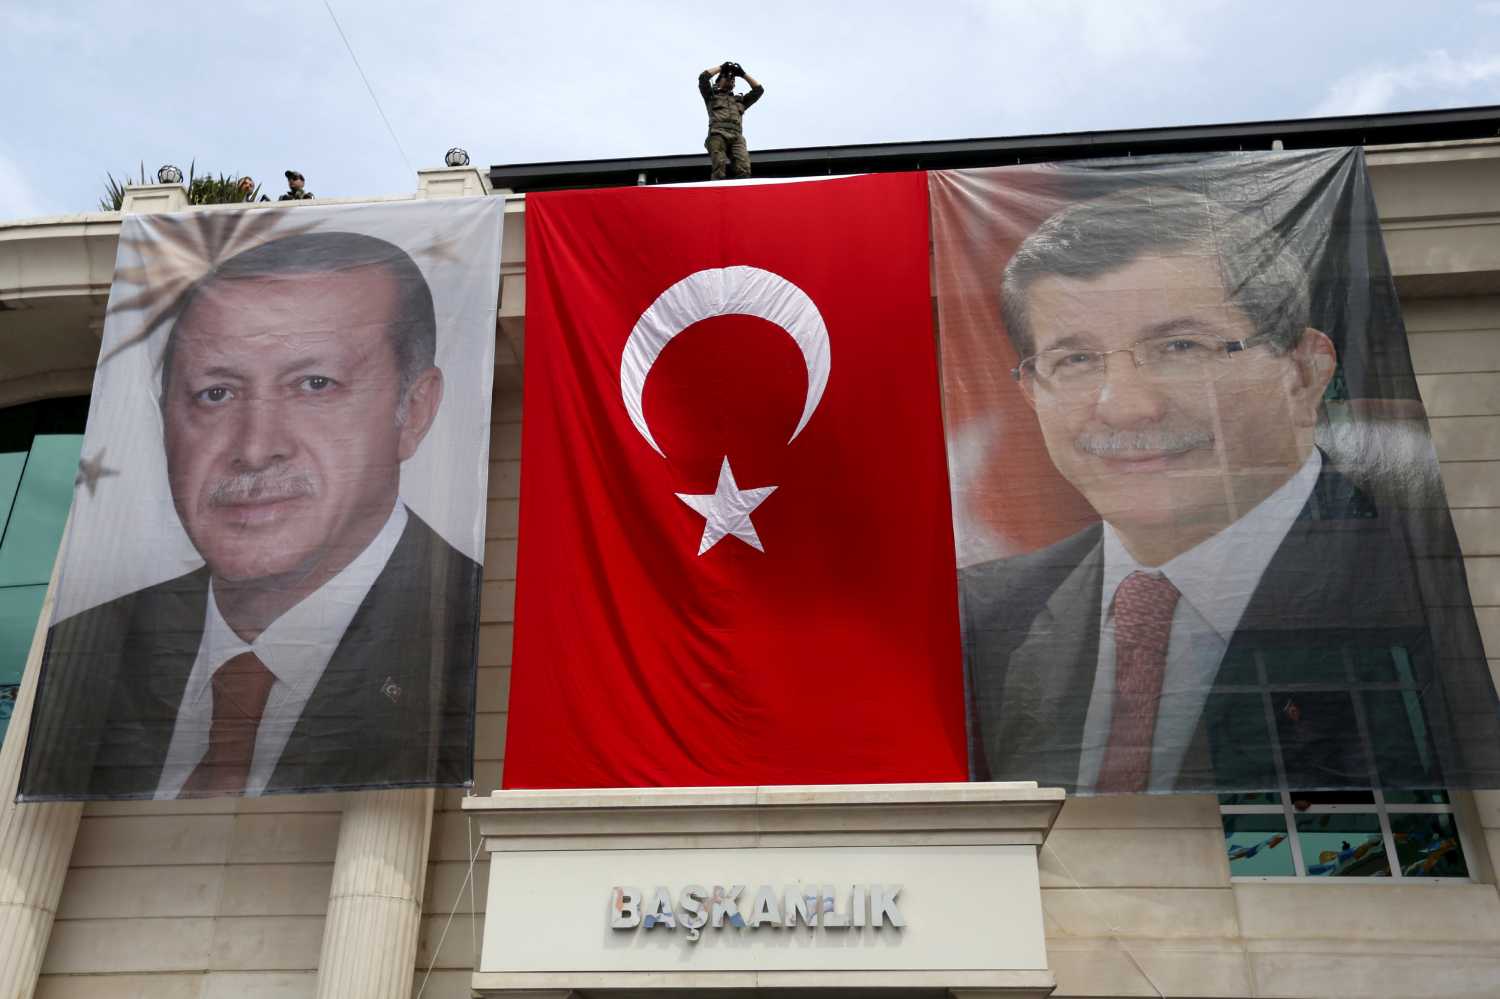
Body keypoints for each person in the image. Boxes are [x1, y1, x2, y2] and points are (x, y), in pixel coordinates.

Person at [961, 186, 1495, 794]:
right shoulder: (983, 614)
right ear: (1032, 393)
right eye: (1076, 360)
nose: (1126, 408)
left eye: (1181, 347)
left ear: (1305, 370)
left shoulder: (1431, 582)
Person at [21, 232, 478, 800]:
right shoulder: (85, 652)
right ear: (164, 418)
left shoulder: (477, 627)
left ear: (412, 411)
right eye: (216, 393)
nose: (256, 448)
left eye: (315, 385)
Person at [698, 61, 763, 180]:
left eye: (733, 79)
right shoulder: (711, 96)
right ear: (718, 82)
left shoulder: (740, 100)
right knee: (719, 166)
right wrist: (721, 68)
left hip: (736, 136)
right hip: (718, 133)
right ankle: (717, 193)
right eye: (726, 77)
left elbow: (758, 90)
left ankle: (741, 195)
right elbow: (703, 78)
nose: (731, 79)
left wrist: (743, 74)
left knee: (744, 168)